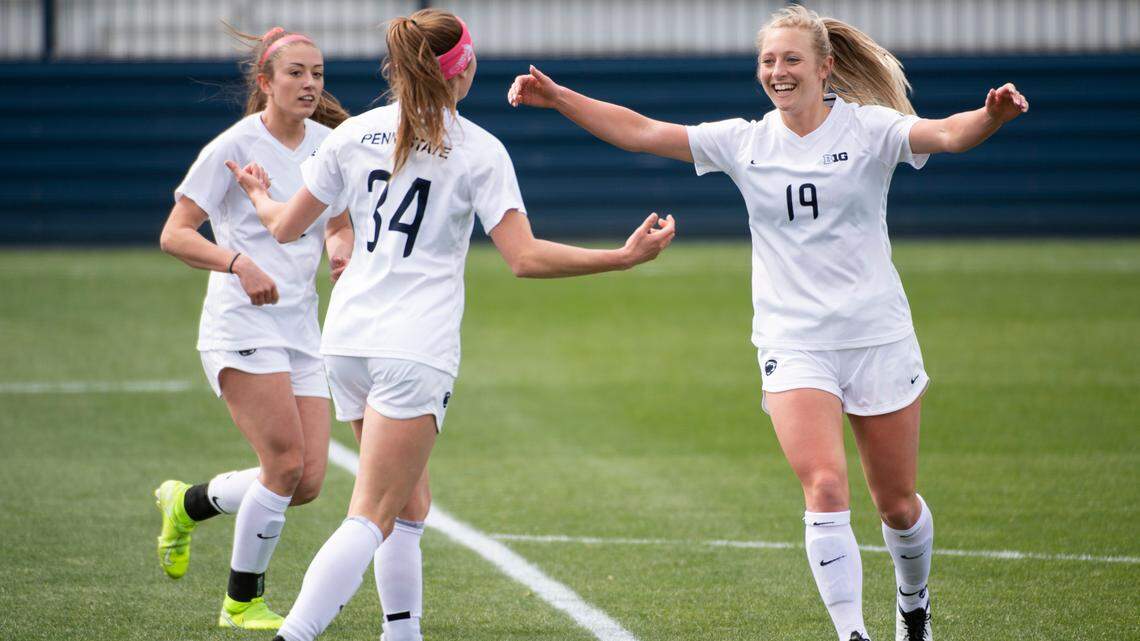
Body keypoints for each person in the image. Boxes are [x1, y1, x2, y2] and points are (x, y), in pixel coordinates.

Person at [507, 5, 1027, 641]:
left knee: (897, 504)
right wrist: (559, 97)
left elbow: (947, 134)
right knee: (826, 487)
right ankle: (851, 633)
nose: (777, 72)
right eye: (768, 61)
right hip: (793, 341)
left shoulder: (870, 130)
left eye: (791, 60)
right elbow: (643, 131)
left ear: (826, 67)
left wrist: (993, 117)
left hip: (878, 337)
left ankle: (913, 606)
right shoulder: (745, 141)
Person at [224, 9, 676, 641]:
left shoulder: (353, 134)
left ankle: (402, 634)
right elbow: (525, 258)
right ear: (461, 71)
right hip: (415, 348)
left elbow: (284, 225)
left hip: (348, 342)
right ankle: (293, 634)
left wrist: (256, 194)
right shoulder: (479, 149)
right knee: (373, 513)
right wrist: (622, 258)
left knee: (409, 505)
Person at [154, 25, 354, 630]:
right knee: (285, 463)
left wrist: (341, 251)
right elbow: (175, 234)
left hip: (302, 330)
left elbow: (338, 223)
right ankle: (242, 599)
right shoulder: (232, 147)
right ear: (264, 82)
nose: (310, 84)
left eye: (317, 73)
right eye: (296, 73)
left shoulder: (332, 144)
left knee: (307, 481)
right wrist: (238, 263)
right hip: (240, 325)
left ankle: (186, 504)